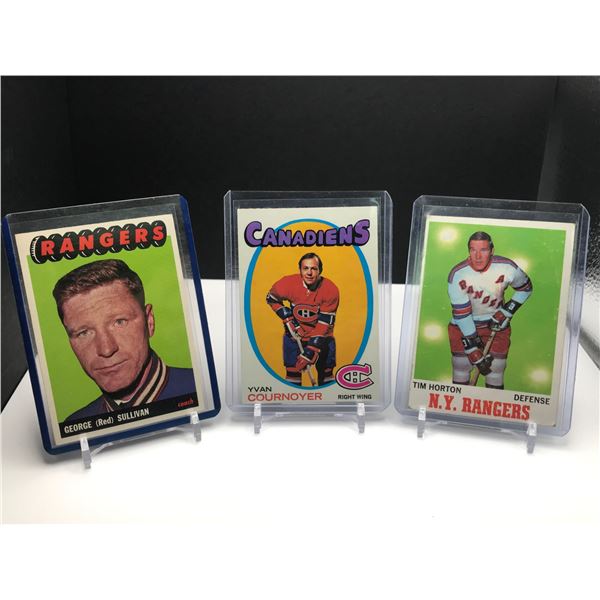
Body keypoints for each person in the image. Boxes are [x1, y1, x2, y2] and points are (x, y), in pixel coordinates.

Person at [53, 259, 195, 421]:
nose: (106, 349)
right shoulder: (77, 424)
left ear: (149, 321)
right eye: (84, 333)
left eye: (119, 322)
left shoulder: (199, 390)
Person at [447, 231, 533, 389]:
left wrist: (507, 312)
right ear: (469, 251)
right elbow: (462, 314)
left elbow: (525, 288)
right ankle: (459, 403)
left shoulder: (507, 267)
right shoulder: (458, 274)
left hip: (495, 325)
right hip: (463, 326)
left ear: (492, 251)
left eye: (484, 250)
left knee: (495, 370)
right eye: (473, 250)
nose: (478, 256)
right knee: (461, 367)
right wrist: (472, 347)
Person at [266, 253, 340, 386]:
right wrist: (287, 317)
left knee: (327, 375)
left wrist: (312, 349)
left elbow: (324, 323)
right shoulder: (287, 283)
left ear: (320, 270)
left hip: (323, 338)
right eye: (305, 268)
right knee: (293, 376)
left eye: (314, 268)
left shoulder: (330, 289)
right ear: (300, 270)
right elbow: (271, 298)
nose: (309, 273)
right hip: (295, 336)